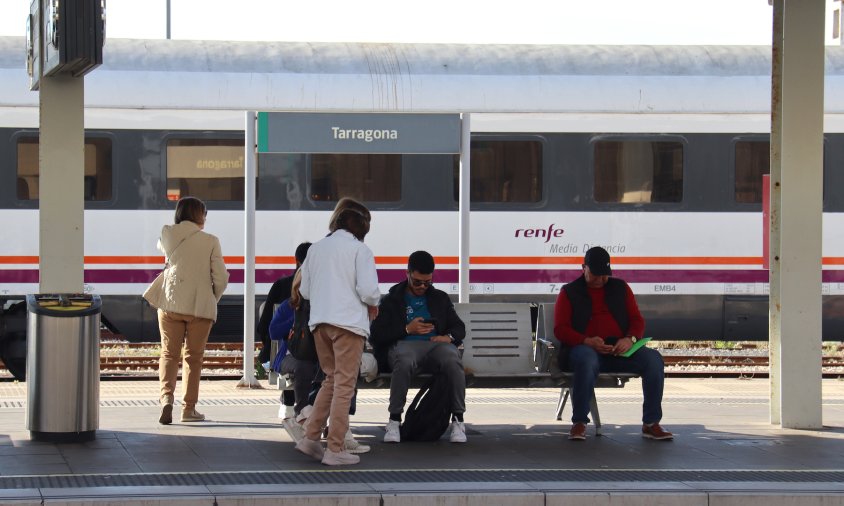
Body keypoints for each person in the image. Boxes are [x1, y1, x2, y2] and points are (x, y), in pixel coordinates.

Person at [553, 246, 673, 441]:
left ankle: (651, 423)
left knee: (653, 360)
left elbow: (637, 320)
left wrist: (630, 339)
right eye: (595, 275)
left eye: (604, 275)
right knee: (587, 359)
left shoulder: (621, 288)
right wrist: (587, 341)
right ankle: (579, 422)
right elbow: (561, 329)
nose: (600, 280)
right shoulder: (569, 292)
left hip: (618, 351)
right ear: (583, 268)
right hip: (584, 350)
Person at [294, 197, 381, 466]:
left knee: (331, 381)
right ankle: (335, 448)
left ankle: (309, 438)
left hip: (320, 324)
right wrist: (374, 304)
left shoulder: (316, 249)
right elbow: (368, 291)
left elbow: (305, 291)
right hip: (348, 325)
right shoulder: (360, 251)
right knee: (345, 385)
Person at [143, 196, 229, 425]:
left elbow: (163, 248)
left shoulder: (167, 233)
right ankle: (189, 410)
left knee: (168, 354)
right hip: (199, 306)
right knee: (193, 358)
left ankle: (166, 399)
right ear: (201, 216)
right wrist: (212, 296)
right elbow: (221, 277)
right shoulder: (211, 240)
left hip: (170, 302)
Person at [369, 250, 468, 443]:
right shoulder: (392, 300)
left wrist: (448, 337)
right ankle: (394, 420)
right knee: (404, 360)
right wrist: (407, 329)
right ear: (407, 274)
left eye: (427, 282)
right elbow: (378, 334)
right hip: (404, 347)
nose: (422, 286)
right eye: (417, 282)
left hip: (435, 346)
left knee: (452, 357)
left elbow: (459, 327)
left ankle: (458, 420)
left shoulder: (440, 298)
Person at [269, 271, 370, 454]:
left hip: (319, 357)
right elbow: (273, 332)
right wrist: (297, 321)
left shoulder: (322, 308)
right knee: (304, 366)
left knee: (345, 372)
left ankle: (340, 427)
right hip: (292, 356)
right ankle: (302, 411)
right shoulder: (288, 307)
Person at [256, 242, 311, 368]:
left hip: (290, 353)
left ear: (296, 261)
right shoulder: (323, 291)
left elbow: (264, 327)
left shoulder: (280, 286)